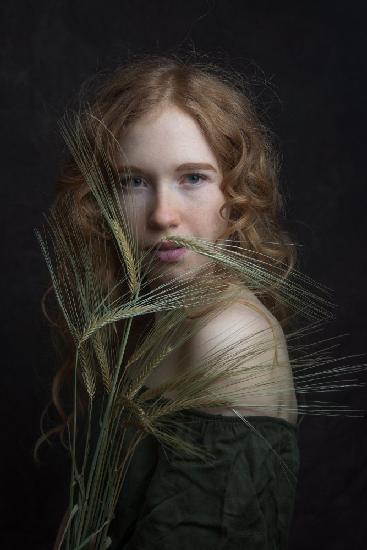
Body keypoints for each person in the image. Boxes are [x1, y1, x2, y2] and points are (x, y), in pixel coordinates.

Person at [43, 55, 301, 549]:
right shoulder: (154, 318)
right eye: (133, 181)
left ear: (238, 189)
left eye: (193, 178)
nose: (163, 214)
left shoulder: (227, 335)